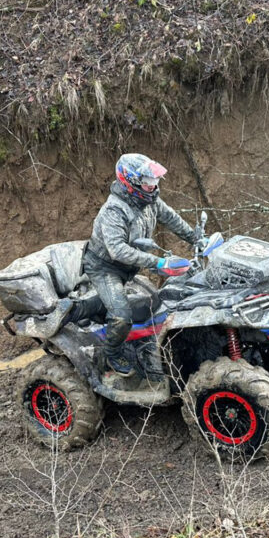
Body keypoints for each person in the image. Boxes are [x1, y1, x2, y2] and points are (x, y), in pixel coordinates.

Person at [82, 153, 200, 378]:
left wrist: (196, 238)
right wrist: (158, 262)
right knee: (121, 315)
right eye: (147, 183)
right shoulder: (114, 211)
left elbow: (171, 219)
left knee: (157, 302)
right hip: (105, 267)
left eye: (154, 181)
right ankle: (112, 353)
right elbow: (117, 250)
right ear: (131, 183)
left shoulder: (150, 199)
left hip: (129, 266)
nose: (153, 186)